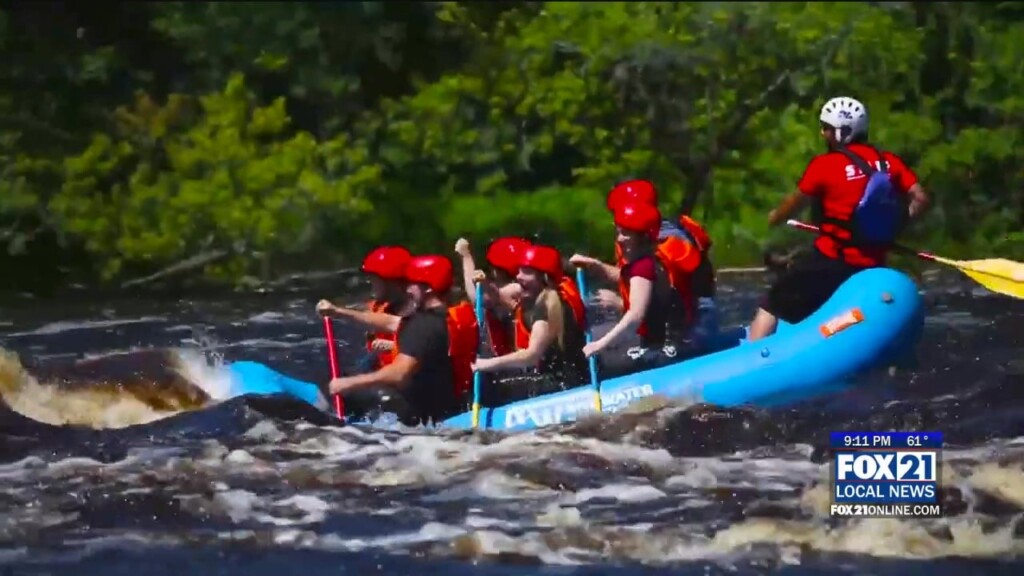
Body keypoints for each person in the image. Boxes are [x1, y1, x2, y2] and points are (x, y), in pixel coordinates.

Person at [749, 96, 930, 341]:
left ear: (839, 132)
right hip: (874, 264)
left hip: (831, 262)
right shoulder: (888, 162)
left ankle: (754, 355)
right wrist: (896, 226)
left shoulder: (825, 165)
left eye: (825, 128)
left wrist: (774, 218)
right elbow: (920, 199)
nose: (823, 132)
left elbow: (793, 204)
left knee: (771, 304)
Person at [320, 254, 479, 425]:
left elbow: (399, 374)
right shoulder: (449, 316)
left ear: (428, 288)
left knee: (341, 388)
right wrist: (338, 312)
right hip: (451, 405)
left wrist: (348, 383)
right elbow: (391, 322)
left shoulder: (423, 326)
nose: (408, 289)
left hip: (419, 415)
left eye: (412, 284)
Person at [571, 179, 721, 352]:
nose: (618, 228)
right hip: (677, 321)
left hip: (695, 323)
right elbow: (640, 278)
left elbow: (653, 289)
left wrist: (619, 307)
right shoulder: (646, 242)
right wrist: (597, 266)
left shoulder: (666, 240)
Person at [575, 202, 701, 379]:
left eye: (626, 234)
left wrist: (599, 345)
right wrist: (594, 265)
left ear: (643, 236)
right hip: (663, 345)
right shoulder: (651, 260)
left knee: (610, 359)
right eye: (618, 232)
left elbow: (635, 316)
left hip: (663, 353)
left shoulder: (643, 268)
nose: (619, 239)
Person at [471, 244, 589, 403]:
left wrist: (484, 364)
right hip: (573, 376)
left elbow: (531, 355)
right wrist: (484, 283)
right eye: (519, 271)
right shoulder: (554, 293)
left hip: (562, 385)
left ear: (544, 277)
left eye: (526, 272)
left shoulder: (546, 306)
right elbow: (496, 296)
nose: (519, 276)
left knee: (494, 389)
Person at [316, 246, 412, 372]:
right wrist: (332, 309)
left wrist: (395, 347)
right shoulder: (380, 305)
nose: (370, 282)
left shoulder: (418, 312)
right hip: (381, 368)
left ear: (390, 280)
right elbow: (364, 313)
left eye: (374, 278)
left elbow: (394, 323)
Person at [454, 236, 532, 356]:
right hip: (518, 356)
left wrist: (466, 256)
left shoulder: (513, 290)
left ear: (496, 270)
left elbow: (476, 296)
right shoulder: (528, 289)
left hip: (513, 361)